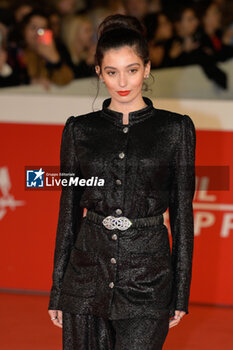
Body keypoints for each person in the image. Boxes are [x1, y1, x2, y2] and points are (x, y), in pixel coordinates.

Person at [48, 13, 196, 350]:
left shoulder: (176, 129)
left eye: (132, 69)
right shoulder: (78, 130)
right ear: (99, 72)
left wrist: (180, 292)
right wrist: (59, 289)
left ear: (147, 67)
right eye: (112, 72)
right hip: (86, 278)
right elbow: (68, 213)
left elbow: (183, 217)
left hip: (149, 279)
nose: (123, 81)